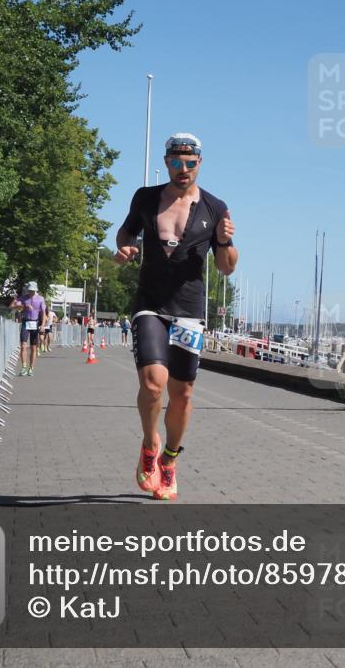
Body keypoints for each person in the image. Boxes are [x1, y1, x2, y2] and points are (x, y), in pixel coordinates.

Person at [114, 132, 237, 501]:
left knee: (181, 395)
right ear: (166, 162)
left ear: (200, 164)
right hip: (149, 303)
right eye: (175, 162)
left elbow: (226, 267)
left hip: (188, 311)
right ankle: (149, 445)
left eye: (190, 163)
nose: (182, 169)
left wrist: (226, 241)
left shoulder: (215, 208)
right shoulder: (146, 197)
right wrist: (123, 247)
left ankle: (169, 459)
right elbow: (125, 231)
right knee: (153, 384)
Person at [11, 282, 47, 376]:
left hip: (35, 323)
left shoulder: (40, 299)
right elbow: (13, 306)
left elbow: (43, 313)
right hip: (25, 322)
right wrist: (24, 306)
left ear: (36, 290)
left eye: (33, 290)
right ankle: (23, 367)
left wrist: (43, 325)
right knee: (23, 345)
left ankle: (31, 368)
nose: (31, 292)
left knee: (33, 347)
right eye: (30, 290)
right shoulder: (23, 298)